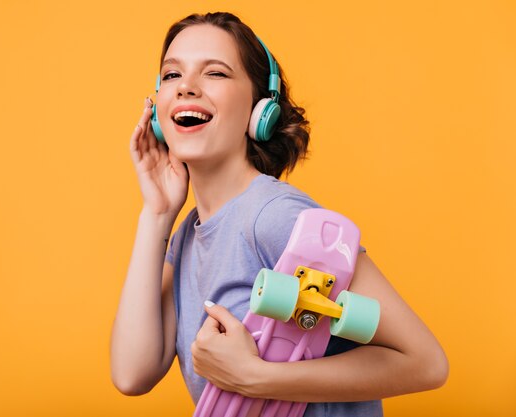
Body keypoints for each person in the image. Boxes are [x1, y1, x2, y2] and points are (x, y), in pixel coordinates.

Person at [110, 12, 448, 416]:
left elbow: (425, 363)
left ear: (260, 109)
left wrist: (254, 377)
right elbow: (132, 373)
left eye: (215, 73)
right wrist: (157, 214)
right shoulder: (186, 235)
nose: (186, 87)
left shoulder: (274, 217)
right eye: (170, 75)